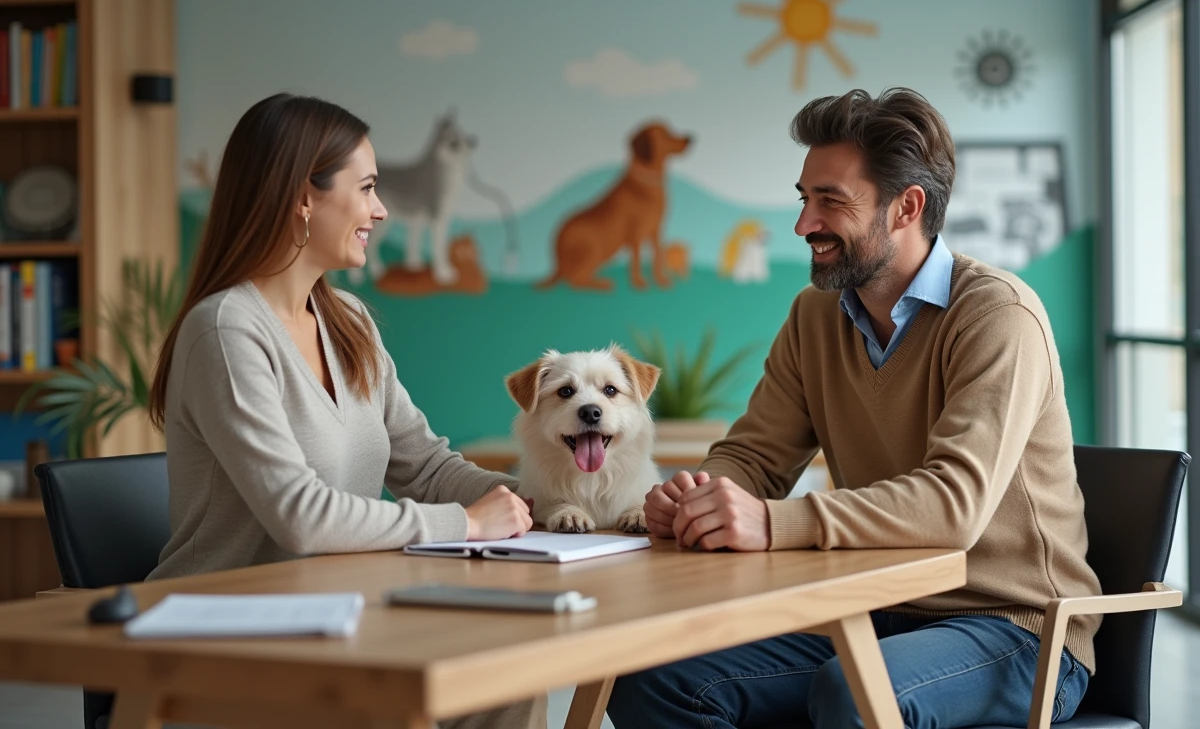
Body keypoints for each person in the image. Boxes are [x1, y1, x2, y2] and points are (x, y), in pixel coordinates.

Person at [606, 88, 1102, 729]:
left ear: (907, 208)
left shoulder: (997, 316)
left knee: (854, 693)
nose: (803, 224)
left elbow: (954, 506)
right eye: (803, 199)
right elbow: (755, 455)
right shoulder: (814, 316)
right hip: (875, 607)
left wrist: (771, 523)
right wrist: (701, 498)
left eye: (831, 201)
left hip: (1017, 628)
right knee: (650, 677)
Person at [146, 93, 544, 729]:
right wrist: (466, 523)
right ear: (303, 197)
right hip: (224, 642)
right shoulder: (225, 331)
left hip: (338, 617)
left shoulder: (349, 320)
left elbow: (427, 467)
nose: (380, 210)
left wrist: (556, 503)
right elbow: (300, 517)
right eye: (366, 188)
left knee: (510, 670)